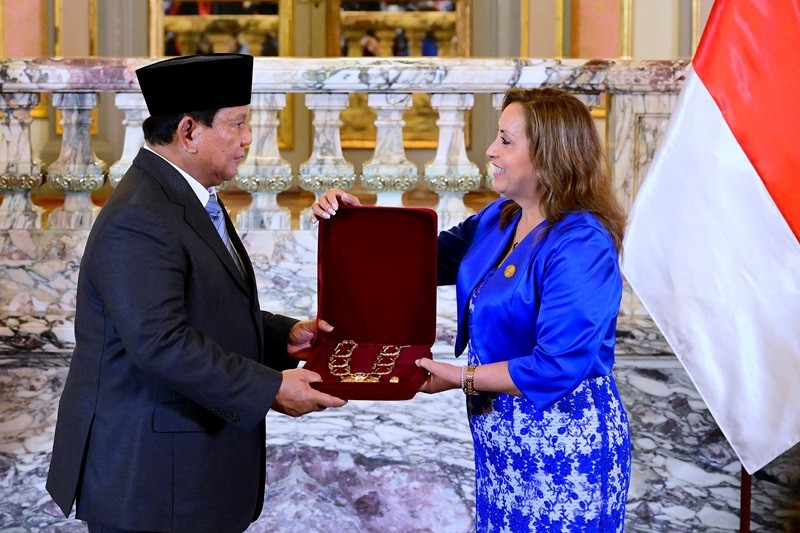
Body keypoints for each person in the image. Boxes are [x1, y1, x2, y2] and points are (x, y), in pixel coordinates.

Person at [46, 53, 346, 533]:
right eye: (238, 124)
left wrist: (283, 336)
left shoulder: (185, 193)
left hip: (187, 476)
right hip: (155, 484)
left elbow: (204, 306)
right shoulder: (140, 215)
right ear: (188, 132)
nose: (249, 138)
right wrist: (270, 388)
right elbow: (161, 342)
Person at [312, 88, 631, 531]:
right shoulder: (501, 215)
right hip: (501, 437)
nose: (490, 150)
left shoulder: (582, 244)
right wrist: (354, 221)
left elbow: (557, 366)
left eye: (505, 140)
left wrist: (459, 377)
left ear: (549, 154)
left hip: (565, 445)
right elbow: (415, 261)